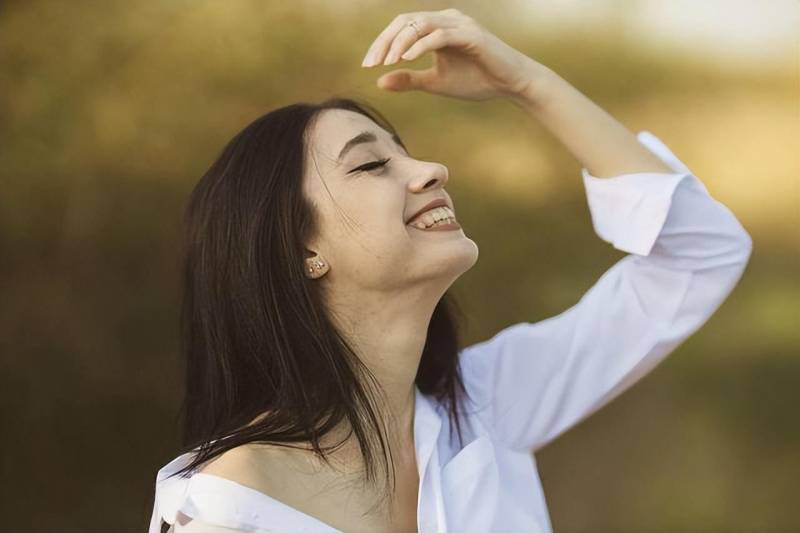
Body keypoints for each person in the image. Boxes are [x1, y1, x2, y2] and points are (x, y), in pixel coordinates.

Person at [148, 8, 752, 533]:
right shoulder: (233, 503)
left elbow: (700, 255)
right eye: (369, 165)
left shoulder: (482, 407)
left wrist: (527, 83)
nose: (431, 168)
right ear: (300, 251)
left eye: (404, 150)